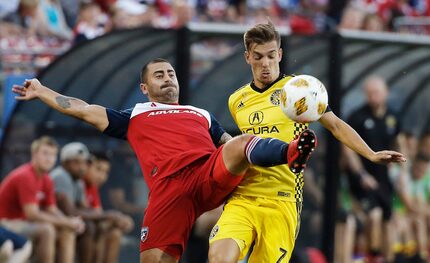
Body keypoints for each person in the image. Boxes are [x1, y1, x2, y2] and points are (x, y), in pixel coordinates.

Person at [12, 58, 318, 263]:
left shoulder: (201, 114)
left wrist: (265, 157)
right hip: (169, 191)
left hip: (206, 174)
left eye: (171, 73)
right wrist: (41, 91)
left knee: (239, 143)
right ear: (145, 88)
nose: (168, 78)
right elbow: (80, 108)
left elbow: (232, 147)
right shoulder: (135, 114)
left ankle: (291, 153)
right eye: (159, 75)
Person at [207, 22, 406, 263]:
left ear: (279, 54)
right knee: (218, 258)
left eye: (271, 55)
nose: (266, 63)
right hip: (244, 197)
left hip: (282, 200)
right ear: (247, 57)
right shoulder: (237, 100)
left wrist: (371, 154)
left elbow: (335, 125)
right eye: (258, 57)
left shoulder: (300, 90)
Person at [344, 75, 404, 261]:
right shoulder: (357, 117)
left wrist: (401, 171)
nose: (373, 96)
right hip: (364, 180)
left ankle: (388, 257)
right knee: (374, 215)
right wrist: (361, 174)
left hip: (385, 178)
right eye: (369, 93)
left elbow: (399, 142)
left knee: (389, 219)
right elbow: (347, 149)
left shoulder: (392, 117)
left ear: (385, 93)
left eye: (377, 92)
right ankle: (374, 256)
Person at [0, 136, 85, 263]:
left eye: (53, 155)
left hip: (25, 222)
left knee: (67, 231)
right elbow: (32, 214)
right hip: (6, 223)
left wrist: (69, 221)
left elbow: (52, 208)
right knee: (47, 230)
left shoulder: (46, 179)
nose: (49, 159)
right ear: (34, 154)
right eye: (45, 153)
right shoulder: (26, 175)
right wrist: (66, 222)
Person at [84, 152, 134, 263]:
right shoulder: (79, 183)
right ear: (87, 165)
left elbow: (98, 214)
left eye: (106, 172)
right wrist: (115, 217)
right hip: (80, 229)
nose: (102, 176)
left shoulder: (93, 187)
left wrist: (118, 219)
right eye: (98, 169)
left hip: (90, 228)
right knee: (101, 228)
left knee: (115, 233)